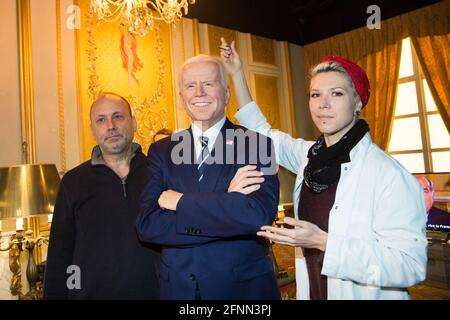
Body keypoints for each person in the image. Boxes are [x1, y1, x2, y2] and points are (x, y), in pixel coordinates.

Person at [220, 38, 428, 300]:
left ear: (358, 103)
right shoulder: (309, 157)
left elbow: (410, 266)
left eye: (337, 94)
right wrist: (237, 74)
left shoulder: (389, 175)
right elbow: (262, 133)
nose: (323, 104)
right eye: (316, 94)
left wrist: (324, 242)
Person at [136, 54, 281, 300]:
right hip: (179, 291)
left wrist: (181, 204)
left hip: (242, 293)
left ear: (226, 94)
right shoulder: (161, 151)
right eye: (190, 86)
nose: (199, 93)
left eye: (209, 84)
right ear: (182, 98)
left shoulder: (257, 144)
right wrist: (228, 201)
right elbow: (148, 225)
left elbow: (257, 216)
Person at [44, 92, 160, 299]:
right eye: (101, 120)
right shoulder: (73, 182)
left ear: (133, 123)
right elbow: (59, 256)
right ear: (93, 130)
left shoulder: (160, 174)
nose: (110, 125)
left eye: (118, 116)